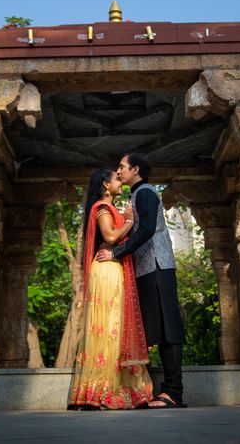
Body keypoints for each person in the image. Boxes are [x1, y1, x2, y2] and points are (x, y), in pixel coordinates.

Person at [96, 152, 187, 408]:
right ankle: (149, 390)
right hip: (147, 270)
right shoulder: (137, 195)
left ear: (135, 169)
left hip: (158, 267)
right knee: (152, 329)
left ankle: (173, 393)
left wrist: (117, 252)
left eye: (122, 167)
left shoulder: (145, 192)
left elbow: (146, 229)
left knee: (168, 329)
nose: (119, 171)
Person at [68, 167, 154, 409]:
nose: (120, 182)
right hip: (106, 270)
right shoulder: (103, 208)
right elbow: (111, 237)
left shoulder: (109, 208)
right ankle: (101, 389)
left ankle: (120, 388)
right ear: (106, 185)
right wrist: (128, 220)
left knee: (115, 325)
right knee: (108, 325)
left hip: (112, 268)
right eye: (117, 179)